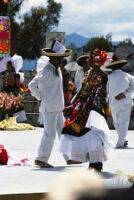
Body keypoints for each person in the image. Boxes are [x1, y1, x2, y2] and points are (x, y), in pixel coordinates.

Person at [59, 49, 113, 172]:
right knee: (84, 133)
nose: (88, 61)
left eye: (90, 59)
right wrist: (73, 102)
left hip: (95, 108)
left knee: (94, 133)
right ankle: (92, 162)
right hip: (83, 105)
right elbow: (81, 90)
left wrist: (98, 88)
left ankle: (97, 163)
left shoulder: (103, 76)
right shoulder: (87, 73)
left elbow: (104, 92)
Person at [28, 40, 72, 168]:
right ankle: (41, 159)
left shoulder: (56, 69)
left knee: (63, 133)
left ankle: (69, 158)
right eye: (60, 58)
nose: (61, 60)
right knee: (49, 134)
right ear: (54, 58)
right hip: (50, 108)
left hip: (57, 107)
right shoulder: (46, 70)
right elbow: (32, 85)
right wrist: (40, 97)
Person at [105, 58, 134, 148]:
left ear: (112, 68)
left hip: (113, 103)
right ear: (121, 67)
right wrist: (125, 94)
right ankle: (122, 140)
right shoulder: (128, 76)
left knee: (116, 123)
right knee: (123, 124)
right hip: (125, 102)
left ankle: (120, 142)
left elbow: (107, 91)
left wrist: (107, 102)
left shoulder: (109, 77)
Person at [0, 55, 27, 122]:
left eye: (9, 65)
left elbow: (17, 84)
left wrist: (18, 93)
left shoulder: (16, 75)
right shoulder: (5, 73)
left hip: (12, 92)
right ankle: (2, 120)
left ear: (12, 66)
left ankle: (11, 120)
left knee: (11, 107)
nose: (7, 67)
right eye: (7, 66)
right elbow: (4, 83)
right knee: (3, 107)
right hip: (5, 92)